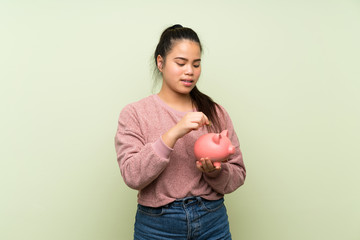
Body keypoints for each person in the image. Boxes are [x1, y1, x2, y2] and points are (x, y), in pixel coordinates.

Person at [115, 24, 246, 240]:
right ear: (160, 62)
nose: (190, 71)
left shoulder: (215, 112)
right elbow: (132, 175)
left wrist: (214, 172)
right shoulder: (135, 113)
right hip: (157, 226)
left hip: (212, 220)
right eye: (181, 63)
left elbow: (238, 173)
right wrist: (174, 132)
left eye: (196, 64)